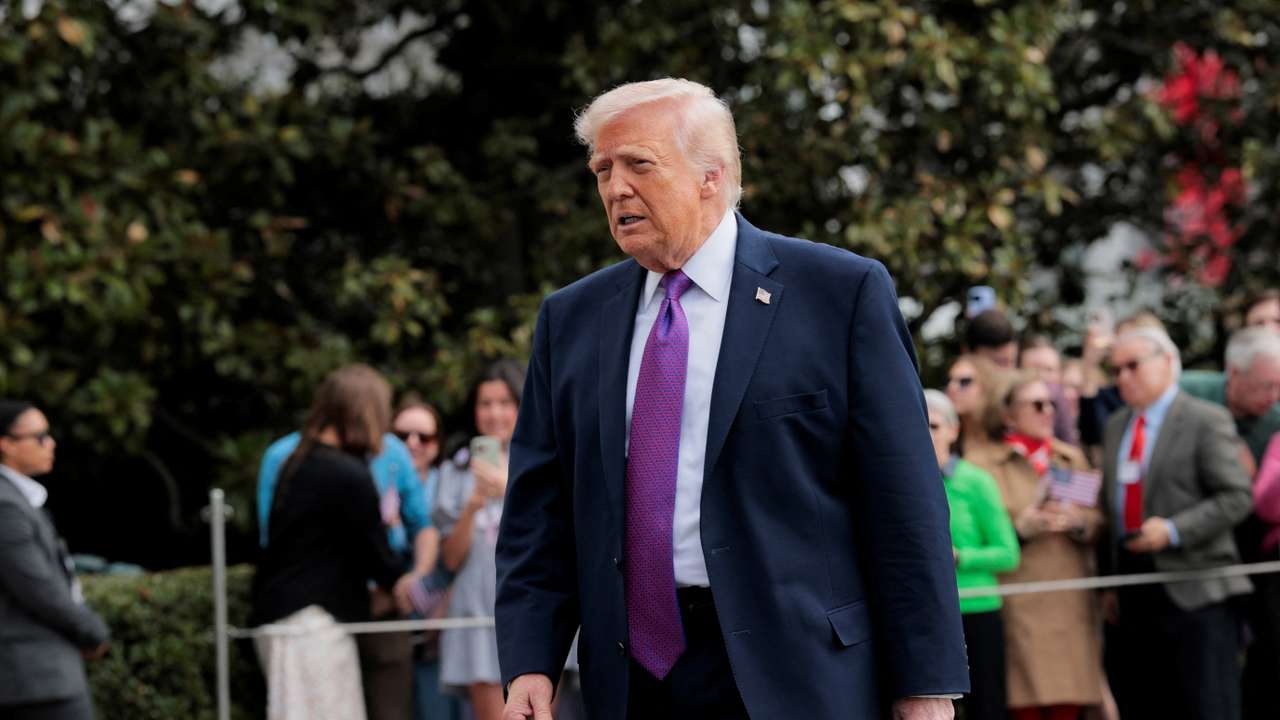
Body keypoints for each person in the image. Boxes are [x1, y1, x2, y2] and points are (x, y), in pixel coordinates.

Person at [495, 78, 967, 720]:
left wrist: (926, 686)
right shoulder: (571, 319)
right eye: (603, 170)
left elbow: (904, 501)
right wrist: (529, 660)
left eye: (639, 164)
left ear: (711, 175)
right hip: (631, 683)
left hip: (801, 675)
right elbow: (537, 512)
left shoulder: (839, 294)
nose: (614, 188)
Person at [1099, 328, 1253, 720]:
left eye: (1133, 366)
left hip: (1196, 588)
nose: (1123, 377)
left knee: (1206, 705)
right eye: (1116, 369)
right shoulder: (1117, 425)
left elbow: (1237, 496)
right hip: (1135, 589)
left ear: (1167, 361)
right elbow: (1114, 503)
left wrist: (1173, 530)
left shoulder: (1205, 418)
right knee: (1146, 703)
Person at [251, 365, 412, 720]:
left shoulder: (297, 461)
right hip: (311, 628)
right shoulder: (346, 474)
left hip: (284, 619)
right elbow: (378, 556)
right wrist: (400, 581)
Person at [964, 373, 1106, 720]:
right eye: (1037, 404)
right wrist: (1021, 529)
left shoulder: (1069, 458)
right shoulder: (983, 464)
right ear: (1009, 414)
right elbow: (977, 533)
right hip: (1019, 603)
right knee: (1021, 703)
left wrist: (1078, 522)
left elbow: (1099, 521)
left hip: (1069, 602)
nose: (1048, 412)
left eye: (1052, 404)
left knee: (1068, 703)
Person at [1179, 326, 1280, 720]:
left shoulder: (1275, 418)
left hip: (1259, 555)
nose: (1273, 397)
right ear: (1234, 375)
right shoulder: (1187, 394)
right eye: (1266, 386)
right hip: (1195, 556)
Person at [0, 400, 110, 720]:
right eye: (39, 437)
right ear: (6, 444)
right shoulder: (5, 506)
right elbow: (38, 587)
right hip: (33, 680)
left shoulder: (17, 498)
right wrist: (91, 630)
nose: (51, 444)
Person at [435, 360, 525, 720]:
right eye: (485, 403)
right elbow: (451, 560)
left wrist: (507, 490)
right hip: (478, 614)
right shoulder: (454, 470)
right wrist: (472, 505)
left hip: (532, 605)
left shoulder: (542, 461)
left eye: (504, 402)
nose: (494, 413)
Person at [925, 390, 1019, 720]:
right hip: (926, 614)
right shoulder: (899, 486)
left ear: (954, 430)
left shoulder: (976, 481)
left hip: (977, 610)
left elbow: (1009, 553)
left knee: (987, 707)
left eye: (934, 426)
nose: (926, 433)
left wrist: (961, 557)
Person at [392, 398, 462, 720]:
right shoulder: (373, 486)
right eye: (402, 435)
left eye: (424, 437)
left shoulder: (450, 484)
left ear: (438, 443)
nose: (413, 444)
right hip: (393, 624)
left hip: (448, 622)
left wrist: (447, 605)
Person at [946, 354, 1005, 452]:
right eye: (949, 380)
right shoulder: (944, 437)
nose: (952, 387)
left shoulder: (1007, 436)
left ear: (987, 385)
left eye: (964, 381)